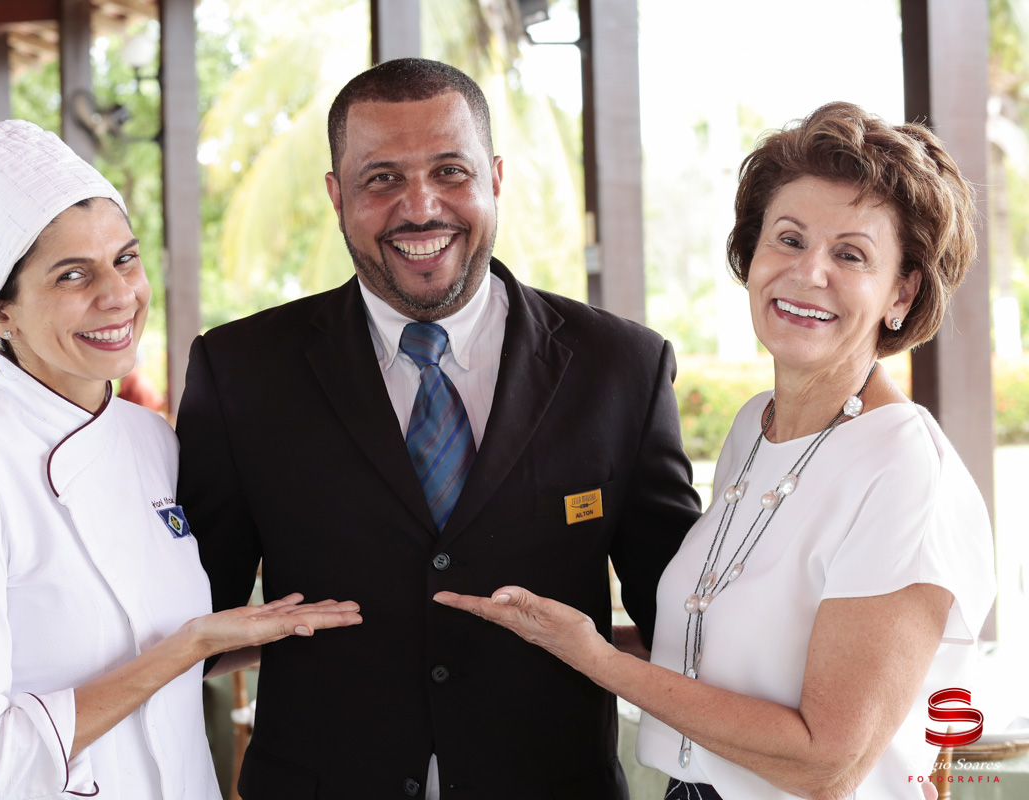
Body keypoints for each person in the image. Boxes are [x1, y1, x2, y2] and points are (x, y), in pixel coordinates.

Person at [435, 102, 997, 800]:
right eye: (788, 239)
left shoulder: (905, 469)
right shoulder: (755, 428)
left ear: (901, 292)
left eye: (850, 255)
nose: (807, 272)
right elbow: (727, 648)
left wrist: (595, 656)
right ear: (752, 254)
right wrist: (540, 629)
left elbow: (828, 762)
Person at [176, 58, 702, 799]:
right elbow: (194, 619)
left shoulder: (622, 367)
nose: (420, 208)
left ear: (493, 177)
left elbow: (681, 621)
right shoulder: (239, 372)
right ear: (337, 195)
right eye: (382, 178)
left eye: (449, 171)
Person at [0, 119, 361, 800]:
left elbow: (145, 647)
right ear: (1, 313)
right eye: (73, 273)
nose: (118, 295)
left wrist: (275, 634)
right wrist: (188, 646)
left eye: (125, 259)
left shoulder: (152, 440)